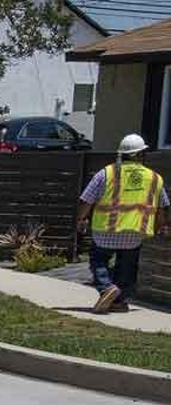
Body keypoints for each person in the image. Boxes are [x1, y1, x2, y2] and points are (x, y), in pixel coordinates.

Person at [77, 134, 168, 314]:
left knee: (98, 261)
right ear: (141, 153)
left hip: (106, 230)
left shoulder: (106, 173)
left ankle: (106, 288)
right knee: (125, 267)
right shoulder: (155, 178)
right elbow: (163, 207)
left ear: (121, 154)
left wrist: (81, 219)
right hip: (135, 232)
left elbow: (86, 200)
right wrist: (162, 226)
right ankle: (118, 302)